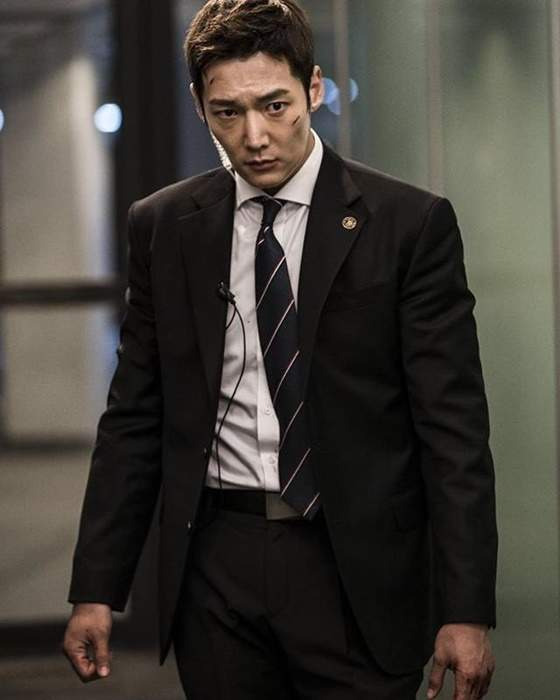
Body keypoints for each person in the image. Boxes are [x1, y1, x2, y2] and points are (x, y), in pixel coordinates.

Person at [63, 1, 498, 698]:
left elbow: (453, 431)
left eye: (275, 106)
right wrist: (96, 587)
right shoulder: (166, 227)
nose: (255, 136)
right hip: (216, 564)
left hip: (355, 566)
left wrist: (466, 607)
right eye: (227, 113)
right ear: (200, 108)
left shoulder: (407, 225)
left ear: (313, 88)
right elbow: (134, 416)